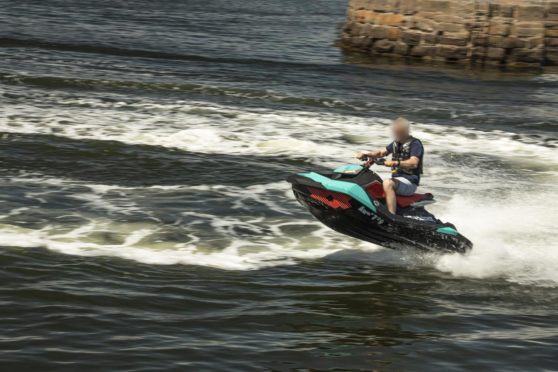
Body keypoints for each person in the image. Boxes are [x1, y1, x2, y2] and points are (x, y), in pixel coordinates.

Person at [356, 117, 424, 214]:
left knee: (388, 183)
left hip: (410, 183)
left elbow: (414, 162)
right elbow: (380, 152)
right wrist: (366, 153)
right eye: (395, 132)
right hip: (398, 181)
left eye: (398, 132)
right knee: (373, 181)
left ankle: (391, 215)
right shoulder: (396, 143)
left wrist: (396, 163)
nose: (395, 134)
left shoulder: (415, 144)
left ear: (405, 131)